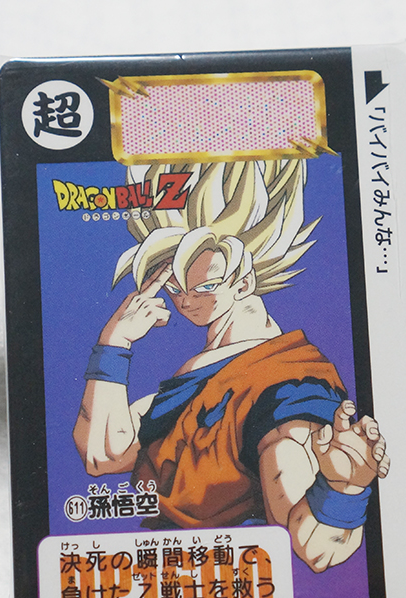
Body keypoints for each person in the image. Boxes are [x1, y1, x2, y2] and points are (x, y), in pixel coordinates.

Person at [73, 160, 389, 573]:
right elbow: (103, 454)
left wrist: (342, 489)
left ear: (244, 283)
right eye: (175, 288)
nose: (186, 301)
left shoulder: (287, 386)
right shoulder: (202, 378)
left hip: (239, 580)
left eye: (205, 286)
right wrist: (114, 342)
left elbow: (314, 548)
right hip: (167, 577)